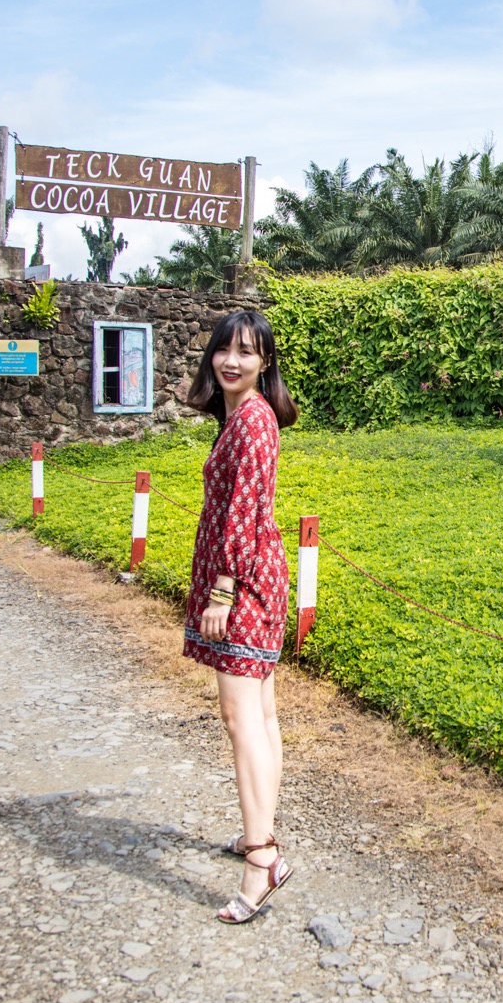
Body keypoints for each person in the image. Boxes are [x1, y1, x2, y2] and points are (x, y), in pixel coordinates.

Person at [182, 309, 299, 923]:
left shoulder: (253, 422)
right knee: (262, 714)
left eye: (247, 353)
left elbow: (244, 514)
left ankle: (262, 858)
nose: (232, 361)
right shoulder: (239, 416)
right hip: (254, 576)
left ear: (264, 363)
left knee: (239, 718)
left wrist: (221, 594)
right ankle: (262, 833)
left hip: (244, 584)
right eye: (224, 350)